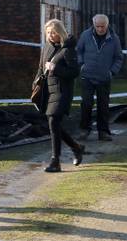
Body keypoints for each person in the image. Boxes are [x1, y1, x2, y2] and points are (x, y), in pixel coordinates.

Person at [35, 19, 85, 172]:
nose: (51, 35)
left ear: (60, 32)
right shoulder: (47, 48)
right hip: (48, 91)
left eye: (54, 33)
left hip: (62, 92)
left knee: (53, 121)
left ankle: (55, 161)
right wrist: (35, 84)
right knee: (53, 124)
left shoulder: (68, 49)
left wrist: (55, 68)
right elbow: (40, 67)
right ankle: (76, 147)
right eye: (48, 33)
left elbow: (74, 72)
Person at [76, 14, 124, 141]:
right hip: (87, 76)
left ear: (107, 25)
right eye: (97, 26)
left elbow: (119, 57)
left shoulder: (114, 38)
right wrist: (82, 65)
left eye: (103, 26)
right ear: (94, 24)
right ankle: (84, 130)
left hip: (104, 78)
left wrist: (112, 72)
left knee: (103, 106)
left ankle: (103, 132)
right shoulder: (85, 35)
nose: (100, 29)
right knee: (86, 104)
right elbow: (78, 51)